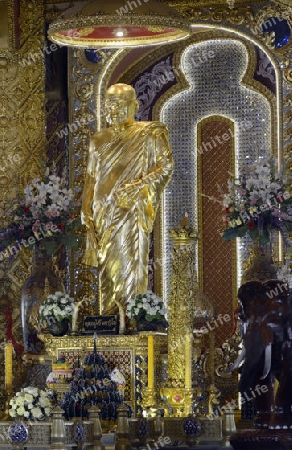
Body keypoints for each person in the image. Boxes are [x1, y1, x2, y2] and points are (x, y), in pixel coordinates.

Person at [81, 83, 174, 314]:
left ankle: (132, 317)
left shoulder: (149, 132)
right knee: (107, 267)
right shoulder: (98, 140)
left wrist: (137, 186)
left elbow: (165, 166)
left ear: (135, 105)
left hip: (130, 210)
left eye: (120, 104)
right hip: (103, 213)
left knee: (130, 264)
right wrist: (85, 209)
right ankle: (108, 317)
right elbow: (90, 180)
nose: (113, 109)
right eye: (109, 104)